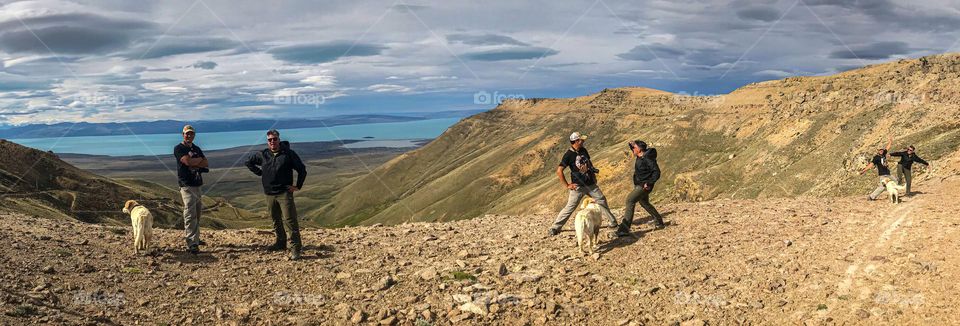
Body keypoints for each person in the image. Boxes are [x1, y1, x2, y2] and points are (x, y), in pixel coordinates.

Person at [245, 129, 307, 260]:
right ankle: (280, 243)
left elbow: (302, 170)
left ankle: (296, 247)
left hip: (284, 193)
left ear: (279, 139)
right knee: (275, 219)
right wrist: (260, 173)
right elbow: (248, 162)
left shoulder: (288, 154)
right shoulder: (263, 154)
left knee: (290, 220)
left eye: (274, 139)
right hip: (269, 193)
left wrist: (297, 186)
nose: (272, 141)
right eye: (269, 140)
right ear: (267, 141)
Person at [548, 132, 618, 236]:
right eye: (581, 140)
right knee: (570, 207)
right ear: (576, 141)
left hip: (590, 184)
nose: (583, 141)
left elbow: (588, 163)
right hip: (578, 187)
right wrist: (567, 185)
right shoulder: (568, 155)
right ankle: (555, 227)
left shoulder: (583, 150)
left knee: (601, 200)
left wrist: (593, 175)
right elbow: (559, 171)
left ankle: (613, 222)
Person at [617, 140, 664, 237]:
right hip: (640, 184)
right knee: (644, 203)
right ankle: (659, 222)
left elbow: (657, 172)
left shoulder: (647, 159)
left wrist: (649, 183)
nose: (632, 150)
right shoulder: (640, 156)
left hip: (644, 186)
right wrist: (632, 144)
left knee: (630, 200)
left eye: (634, 148)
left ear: (639, 149)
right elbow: (632, 147)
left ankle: (624, 229)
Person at [174, 125, 208, 254]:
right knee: (190, 213)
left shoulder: (196, 148)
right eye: (187, 134)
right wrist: (197, 161)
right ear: (183, 134)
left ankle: (196, 238)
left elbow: (206, 163)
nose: (189, 136)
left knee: (197, 213)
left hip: (197, 184)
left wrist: (196, 161)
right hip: (186, 185)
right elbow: (187, 162)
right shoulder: (179, 148)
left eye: (191, 134)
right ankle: (191, 243)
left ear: (194, 135)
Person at [859, 136, 895, 201]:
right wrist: (864, 170)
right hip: (882, 174)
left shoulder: (884, 153)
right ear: (877, 151)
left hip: (888, 173)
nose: (881, 151)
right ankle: (871, 197)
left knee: (895, 181)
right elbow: (871, 165)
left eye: (882, 149)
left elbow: (888, 147)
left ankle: (893, 195)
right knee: (882, 187)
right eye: (879, 150)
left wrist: (890, 141)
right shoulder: (876, 158)